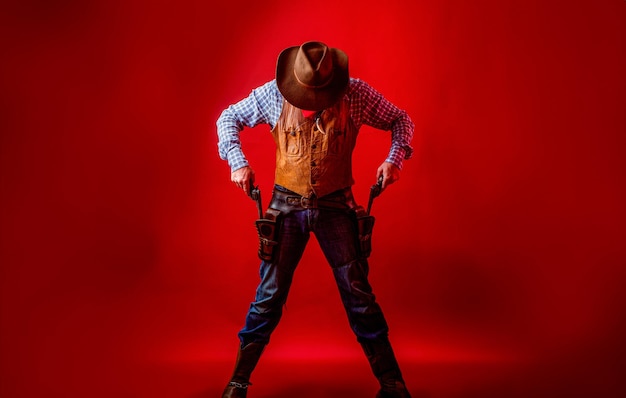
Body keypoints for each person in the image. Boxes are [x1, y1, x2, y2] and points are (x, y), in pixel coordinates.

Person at [216, 41, 414, 398]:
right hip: (285, 207)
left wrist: (394, 160)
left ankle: (392, 383)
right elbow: (227, 117)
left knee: (358, 293)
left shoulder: (356, 94)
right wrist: (237, 161)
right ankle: (238, 381)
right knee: (269, 294)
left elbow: (402, 120)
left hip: (337, 205)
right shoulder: (272, 95)